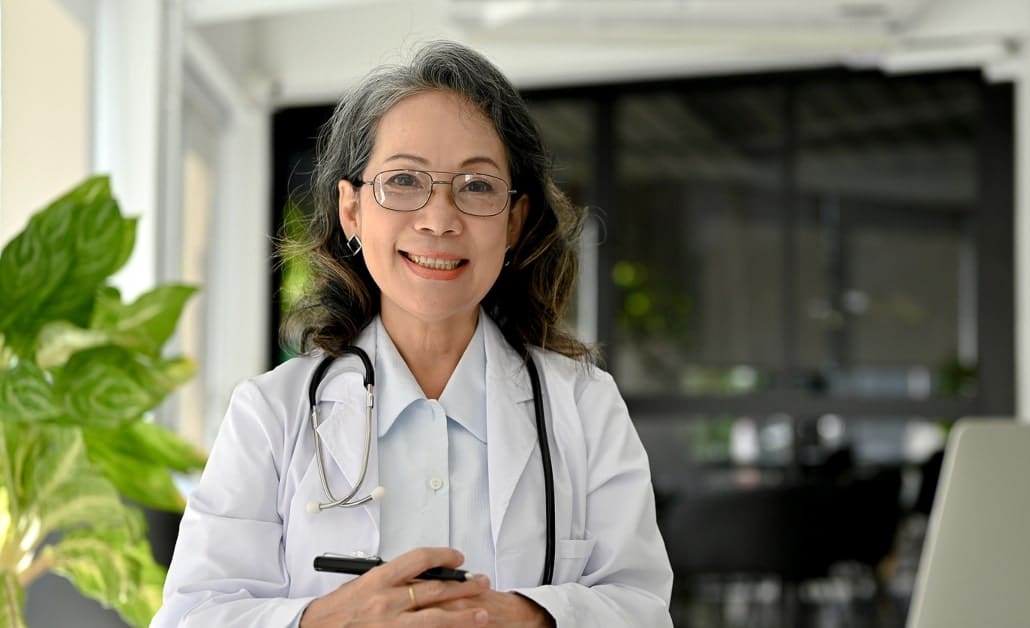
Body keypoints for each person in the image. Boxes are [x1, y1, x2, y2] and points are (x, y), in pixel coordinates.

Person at [153, 41, 673, 627]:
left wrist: (530, 618)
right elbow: (189, 617)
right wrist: (325, 621)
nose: (439, 218)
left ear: (514, 221)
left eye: (477, 186)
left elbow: (643, 608)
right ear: (351, 210)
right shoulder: (271, 414)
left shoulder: (584, 405)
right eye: (404, 180)